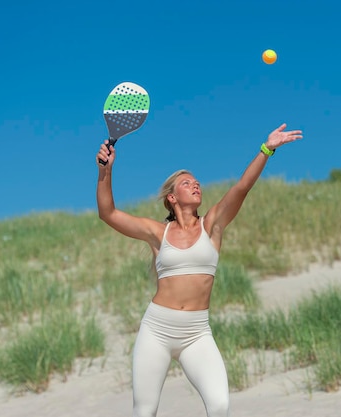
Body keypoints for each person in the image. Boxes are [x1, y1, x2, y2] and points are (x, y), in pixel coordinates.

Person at [95, 123, 302, 417]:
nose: (196, 185)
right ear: (172, 197)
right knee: (145, 411)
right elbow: (108, 213)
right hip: (157, 329)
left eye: (197, 182)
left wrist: (266, 149)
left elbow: (241, 187)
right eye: (187, 183)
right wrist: (105, 172)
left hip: (196, 332)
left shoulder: (212, 225)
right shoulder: (158, 233)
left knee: (219, 406)